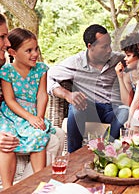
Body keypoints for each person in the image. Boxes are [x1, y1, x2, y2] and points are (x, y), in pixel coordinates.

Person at [47, 24, 128, 153]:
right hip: (90, 109)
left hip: (114, 110)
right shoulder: (76, 63)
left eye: (110, 45)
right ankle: (73, 155)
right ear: (90, 46)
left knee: (125, 111)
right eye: (104, 46)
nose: (109, 50)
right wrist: (67, 94)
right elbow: (48, 77)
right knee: (75, 108)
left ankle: (107, 153)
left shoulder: (118, 59)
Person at [0, 28, 56, 189]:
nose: (35, 54)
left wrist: (38, 116)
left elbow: (42, 95)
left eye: (36, 49)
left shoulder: (41, 69)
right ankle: (7, 187)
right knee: (8, 141)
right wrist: (29, 118)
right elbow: (10, 100)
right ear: (13, 52)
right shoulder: (6, 71)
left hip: (33, 113)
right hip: (11, 114)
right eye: (29, 50)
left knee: (39, 134)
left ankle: (40, 184)